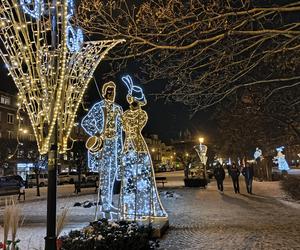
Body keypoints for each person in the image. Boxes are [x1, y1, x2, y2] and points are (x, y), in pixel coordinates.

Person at [120, 75, 167, 220]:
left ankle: (144, 208)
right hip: (128, 147)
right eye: (132, 101)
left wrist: (125, 120)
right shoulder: (126, 114)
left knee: (143, 179)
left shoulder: (142, 114)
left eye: (134, 101)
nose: (132, 104)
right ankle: (129, 210)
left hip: (139, 146)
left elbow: (134, 127)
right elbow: (124, 127)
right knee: (128, 179)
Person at [81, 81, 123, 216]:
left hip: (115, 144)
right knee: (105, 175)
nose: (111, 94)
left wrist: (121, 148)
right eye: (109, 91)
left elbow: (121, 128)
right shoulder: (98, 107)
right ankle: (105, 204)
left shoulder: (118, 108)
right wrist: (97, 133)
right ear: (105, 92)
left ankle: (108, 203)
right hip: (103, 145)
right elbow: (85, 122)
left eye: (113, 91)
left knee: (111, 175)